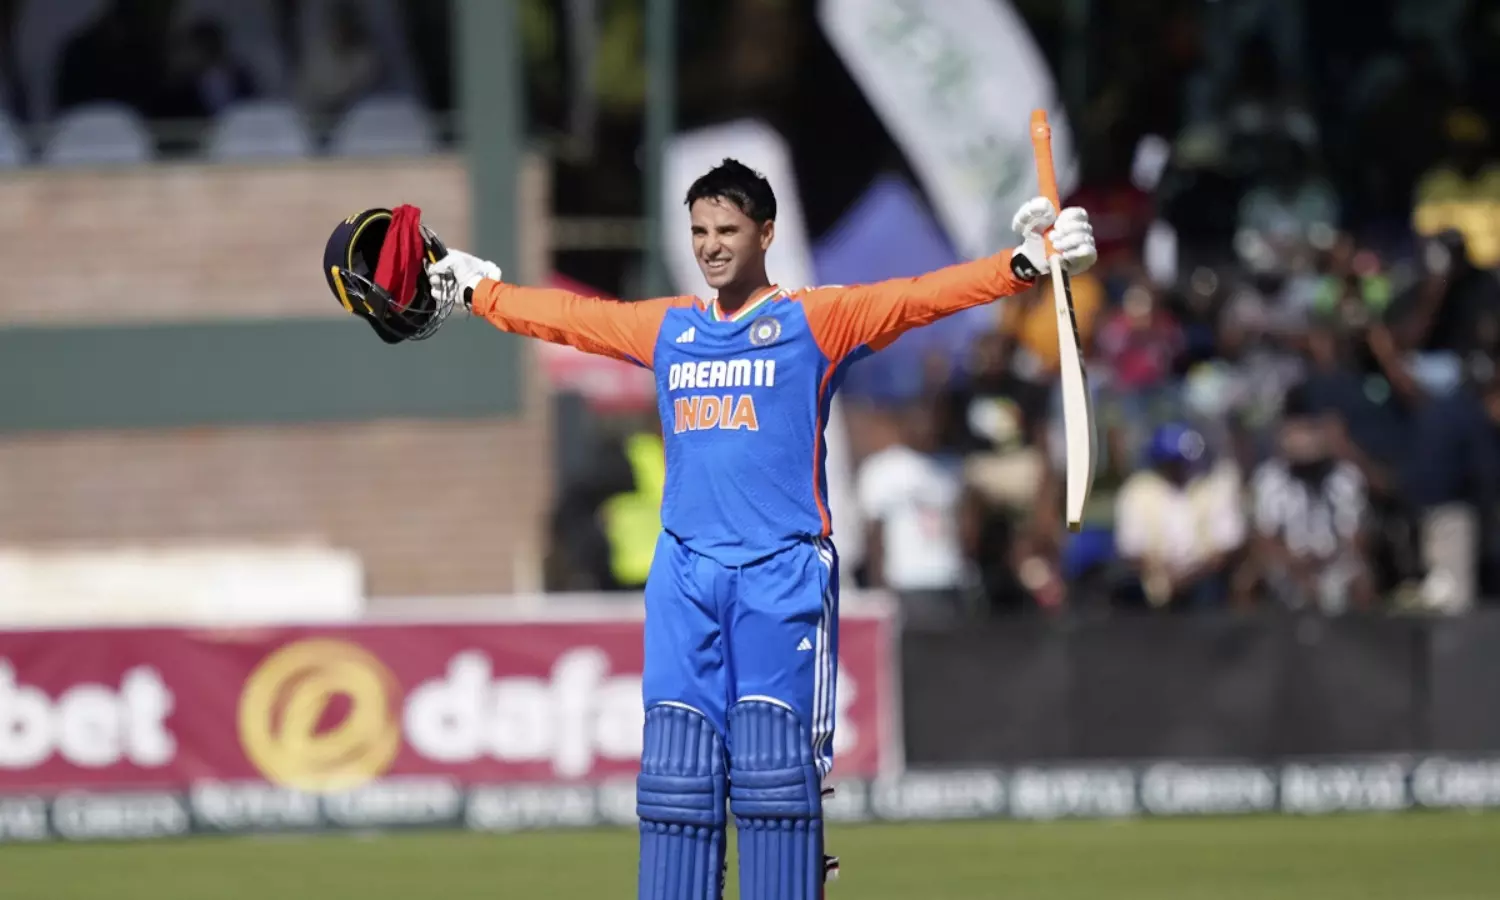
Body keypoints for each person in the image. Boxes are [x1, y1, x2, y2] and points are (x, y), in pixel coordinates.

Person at [424, 159, 1097, 900]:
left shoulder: (816, 321)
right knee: (676, 776)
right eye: (699, 231)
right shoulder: (670, 327)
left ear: (766, 233)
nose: (711, 246)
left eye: (728, 230)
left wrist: (1023, 263)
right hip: (684, 576)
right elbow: (572, 320)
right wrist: (479, 292)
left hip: (782, 574)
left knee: (774, 774)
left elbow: (919, 297)